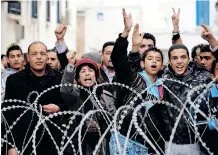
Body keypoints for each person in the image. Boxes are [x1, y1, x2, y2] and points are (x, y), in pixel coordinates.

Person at [110, 8, 165, 154]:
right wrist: (125, 33)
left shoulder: (164, 85)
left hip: (153, 142)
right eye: (150, 59)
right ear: (142, 63)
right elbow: (118, 59)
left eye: (158, 59)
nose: (154, 62)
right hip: (127, 139)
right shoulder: (133, 78)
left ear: (162, 66)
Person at [2, 41, 67, 155]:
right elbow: (8, 115)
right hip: (24, 142)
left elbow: (71, 104)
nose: (39, 57)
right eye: (34, 54)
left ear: (47, 57)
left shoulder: (59, 78)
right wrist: (10, 146)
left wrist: (59, 108)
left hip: (53, 142)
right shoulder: (15, 80)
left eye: (42, 54)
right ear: (27, 58)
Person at [161, 44, 211, 155]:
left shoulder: (203, 77)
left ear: (189, 59)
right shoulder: (163, 78)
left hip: (197, 144)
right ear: (169, 61)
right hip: (170, 143)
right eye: (175, 58)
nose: (179, 61)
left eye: (183, 57)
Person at [60, 58, 116, 155]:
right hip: (81, 144)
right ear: (77, 78)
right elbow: (66, 90)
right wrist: (69, 67)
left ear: (95, 76)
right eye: (83, 71)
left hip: (103, 144)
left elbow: (114, 118)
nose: (87, 74)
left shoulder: (105, 96)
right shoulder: (75, 95)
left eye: (90, 70)